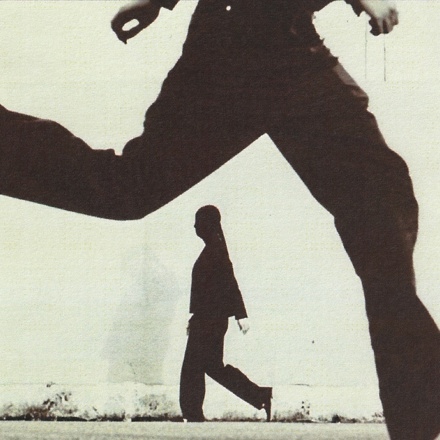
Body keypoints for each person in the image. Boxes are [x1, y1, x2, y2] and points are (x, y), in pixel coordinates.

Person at [0, 0, 439, 438]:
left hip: (277, 43)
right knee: (129, 189)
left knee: (381, 201)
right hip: (242, 46)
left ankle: (419, 415)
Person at [179, 205, 272, 422]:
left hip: (210, 321)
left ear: (208, 224)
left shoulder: (216, 250)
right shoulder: (214, 248)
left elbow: (230, 282)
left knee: (192, 367)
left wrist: (241, 315)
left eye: (198, 222)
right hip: (207, 318)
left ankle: (193, 414)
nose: (195, 226)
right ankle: (260, 395)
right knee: (212, 367)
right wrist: (194, 316)